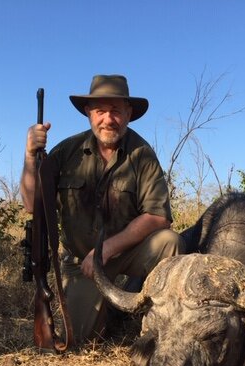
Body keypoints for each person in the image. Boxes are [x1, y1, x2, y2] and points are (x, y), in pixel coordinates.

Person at [21, 74, 184, 344]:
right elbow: (31, 205)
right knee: (82, 342)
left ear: (128, 114)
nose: (108, 119)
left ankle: (170, 332)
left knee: (170, 243)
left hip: (125, 252)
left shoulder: (142, 154)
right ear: (88, 112)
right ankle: (111, 309)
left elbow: (158, 217)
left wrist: (106, 249)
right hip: (81, 263)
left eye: (116, 111)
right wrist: (29, 156)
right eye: (100, 111)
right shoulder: (66, 151)